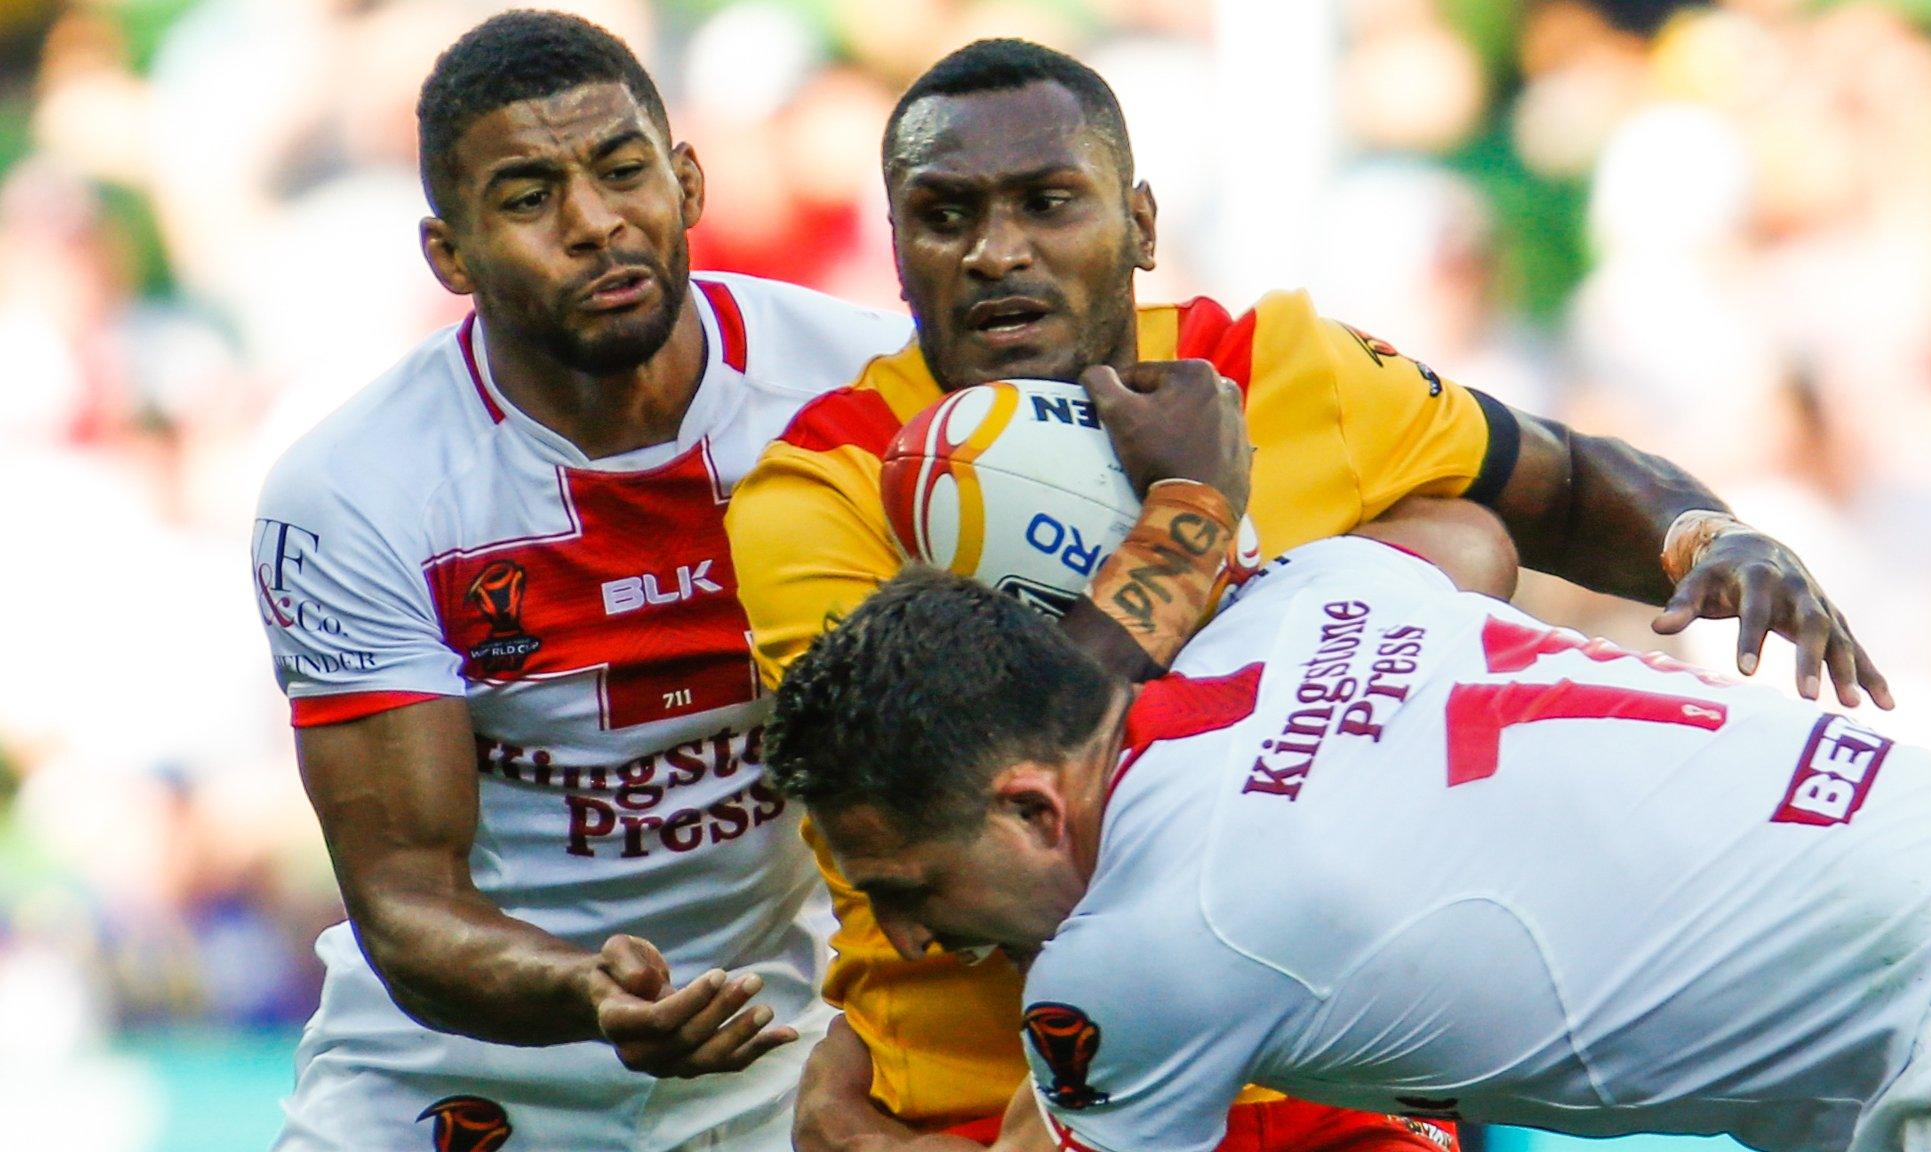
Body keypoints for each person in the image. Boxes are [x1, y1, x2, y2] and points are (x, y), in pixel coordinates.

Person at [723, 37, 1890, 1151]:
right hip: (1005, 1103)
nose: (995, 251)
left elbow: (1564, 479)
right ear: (894, 243)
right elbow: (979, 775)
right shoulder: (813, 493)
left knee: (1461, 537)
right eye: (945, 215)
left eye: (1046, 201)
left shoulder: (1274, 368)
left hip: (1337, 1073)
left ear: (1137, 223)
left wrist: (1709, 534)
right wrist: (1191, 512)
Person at [250, 12, 1246, 1150]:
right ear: (450, 253)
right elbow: (405, 898)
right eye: (527, 198)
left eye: (623, 173)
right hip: (458, 1067)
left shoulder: (870, 394)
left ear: (686, 180)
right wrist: (584, 991)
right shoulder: (353, 491)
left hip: (762, 1050)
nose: (593, 224)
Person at [765, 530, 1931, 1152]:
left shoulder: (1144, 949)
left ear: (1035, 807)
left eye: (907, 886)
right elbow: (1465, 533)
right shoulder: (1317, 585)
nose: (914, 936)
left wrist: (853, 1141)